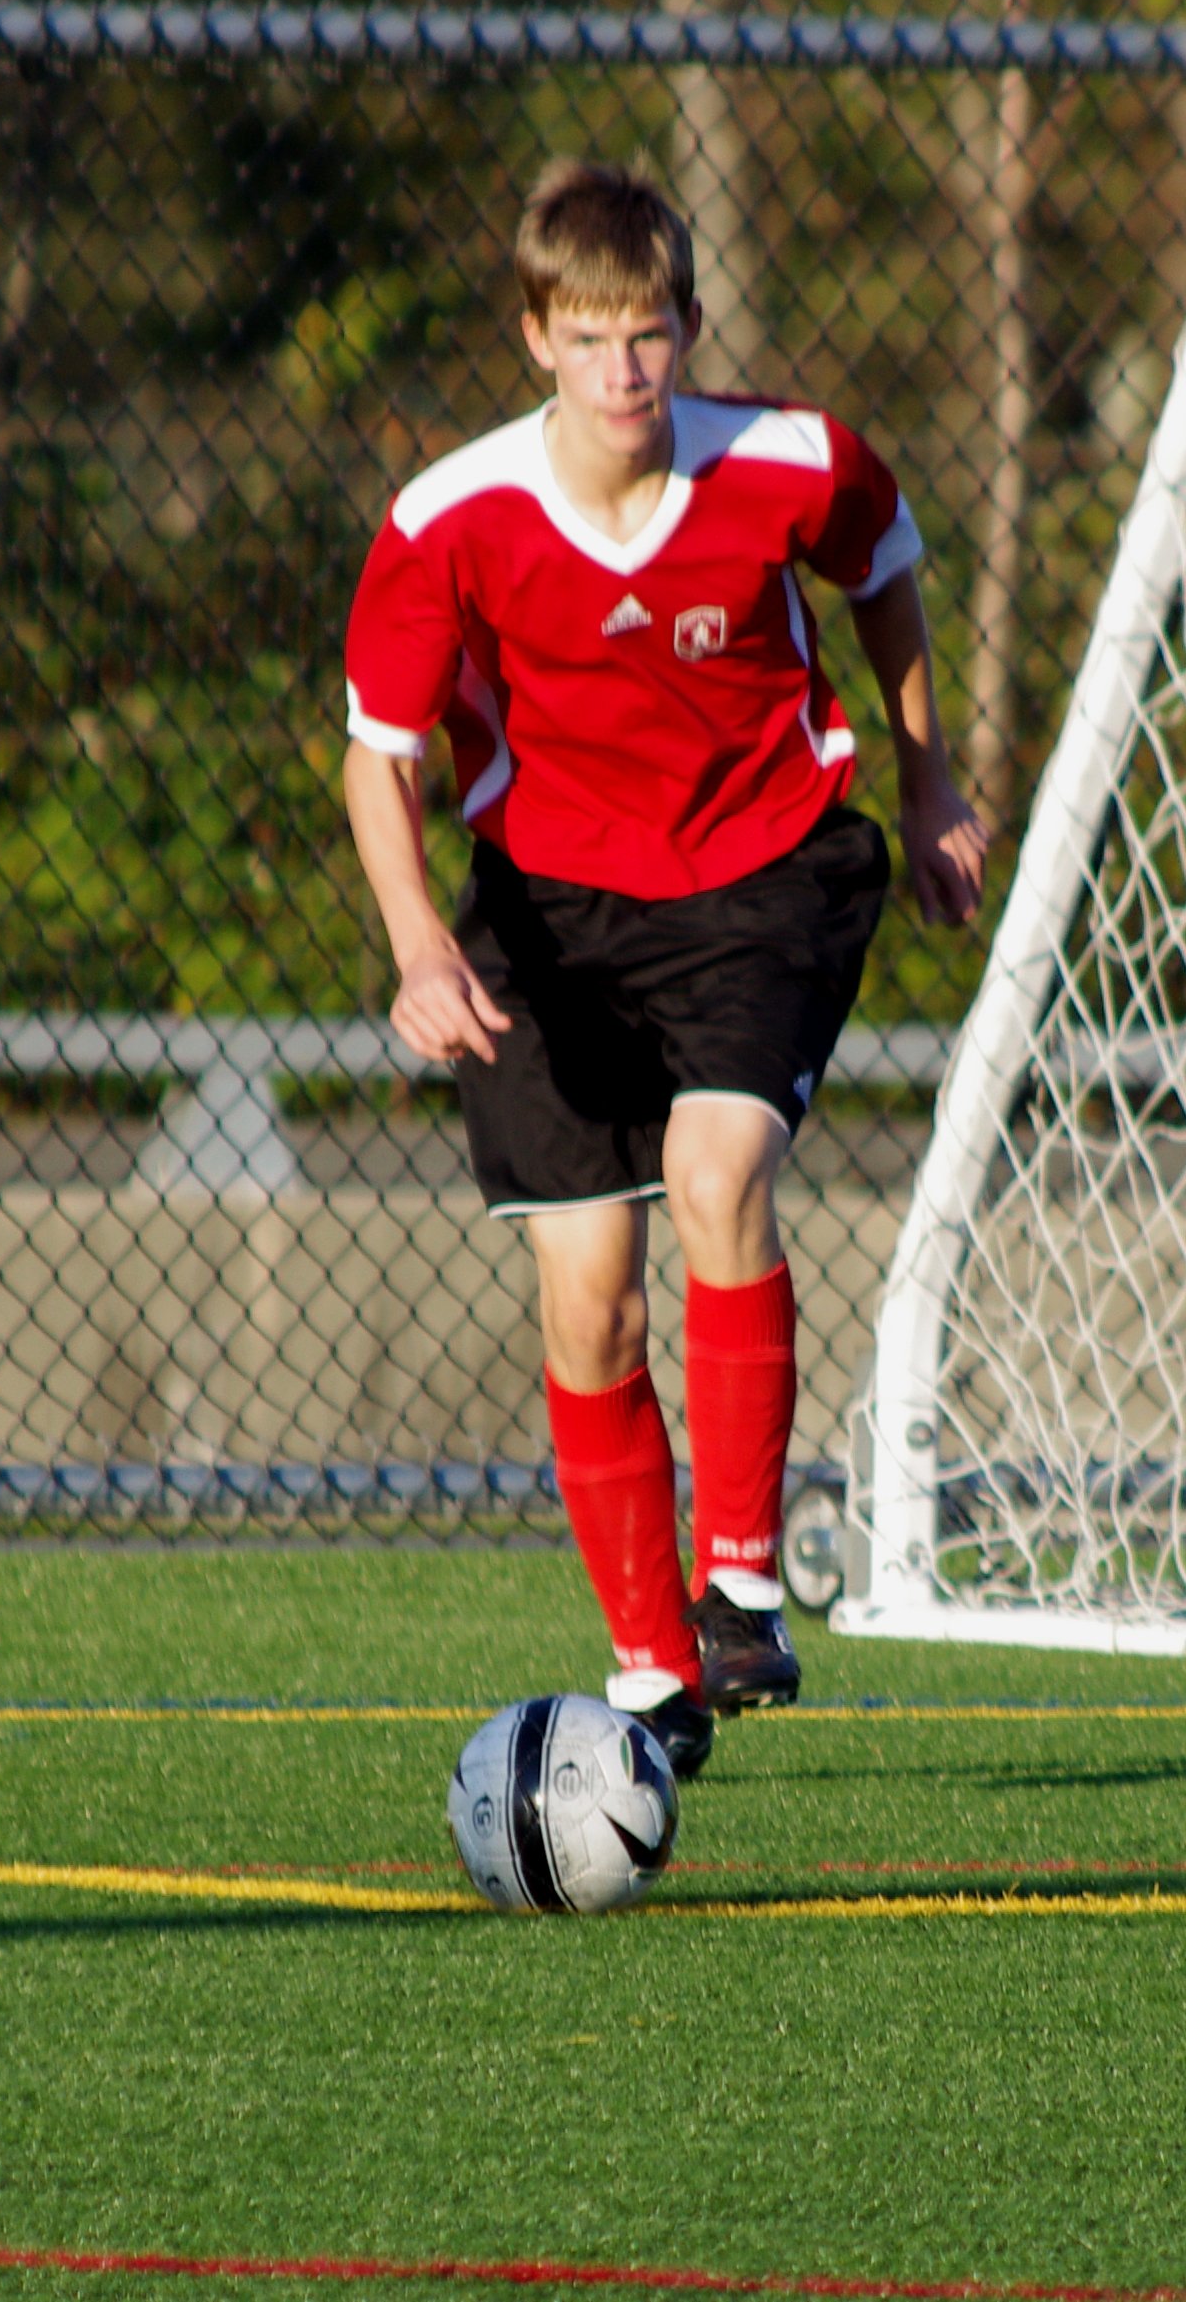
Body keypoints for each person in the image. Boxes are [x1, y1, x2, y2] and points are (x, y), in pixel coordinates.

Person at [339, 160, 987, 1778]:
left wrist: (926, 783)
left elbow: (887, 564)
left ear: (688, 327)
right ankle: (648, 1675)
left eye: (649, 335)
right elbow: (379, 756)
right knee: (586, 1302)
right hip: (549, 918)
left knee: (716, 1177)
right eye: (589, 337)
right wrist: (419, 941)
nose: (624, 371)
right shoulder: (449, 520)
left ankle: (745, 1583)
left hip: (763, 875)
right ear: (534, 339)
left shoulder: (784, 463)